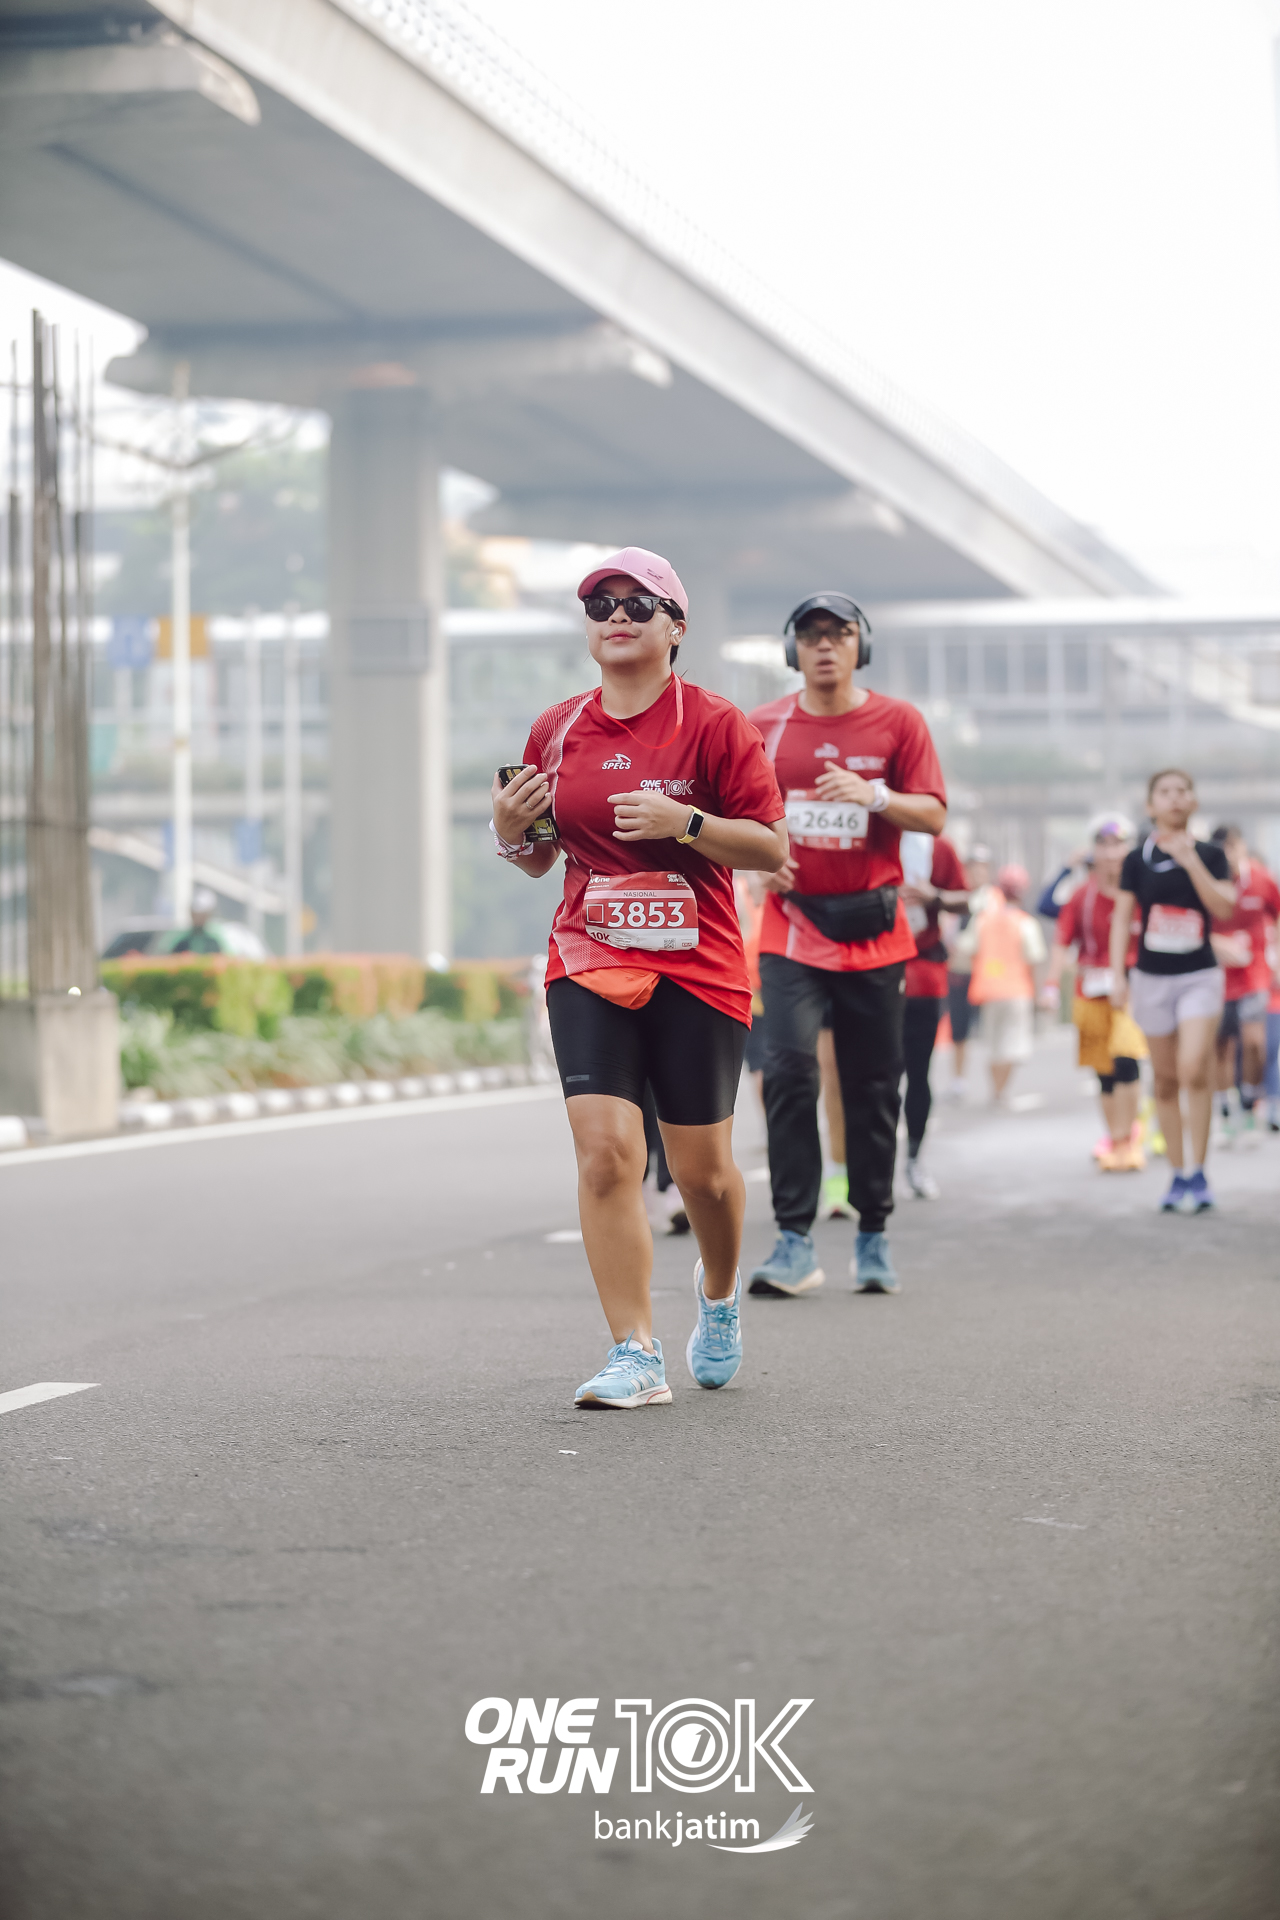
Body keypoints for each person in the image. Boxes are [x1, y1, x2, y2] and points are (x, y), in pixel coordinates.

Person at [490, 547, 787, 1407]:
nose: (617, 617)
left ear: (675, 627)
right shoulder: (556, 730)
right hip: (589, 958)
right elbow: (539, 859)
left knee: (705, 1176)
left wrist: (684, 822)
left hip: (699, 967)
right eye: (601, 605)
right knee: (607, 1155)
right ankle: (635, 1352)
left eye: (637, 604)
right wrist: (510, 832)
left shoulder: (718, 725)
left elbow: (769, 846)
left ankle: (719, 1294)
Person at [744, 592, 947, 1299]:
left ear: (862, 646)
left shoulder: (899, 722)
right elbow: (733, 817)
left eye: (840, 633)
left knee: (872, 1086)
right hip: (793, 927)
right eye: (811, 634)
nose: (825, 645)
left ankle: (873, 1231)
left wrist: (875, 796)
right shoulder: (763, 726)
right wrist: (761, 861)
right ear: (792, 649)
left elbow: (934, 815)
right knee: (789, 1072)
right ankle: (794, 1239)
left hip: (875, 931)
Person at [1109, 770, 1235, 1214]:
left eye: (1183, 791)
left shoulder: (1212, 854)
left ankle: (1200, 1171)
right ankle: (1178, 1174)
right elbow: (1122, 918)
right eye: (1165, 792)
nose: (1175, 798)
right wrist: (1117, 975)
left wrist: (1190, 860)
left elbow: (1224, 907)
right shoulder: (1136, 859)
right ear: (1151, 806)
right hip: (1151, 978)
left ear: (1194, 802)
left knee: (1193, 1067)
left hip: (1199, 975)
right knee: (1164, 1078)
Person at [1044, 815, 1147, 1170]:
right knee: (1103, 1071)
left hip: (1131, 987)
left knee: (1127, 1059)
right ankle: (1115, 1141)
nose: (1111, 853)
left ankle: (1129, 1139)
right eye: (1103, 845)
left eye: (1119, 845)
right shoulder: (1081, 896)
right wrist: (1051, 984)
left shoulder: (1142, 894)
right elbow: (1061, 940)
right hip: (1090, 990)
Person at [900, 830, 969, 1195]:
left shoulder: (936, 846)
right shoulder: (864, 832)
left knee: (917, 1072)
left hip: (923, 974)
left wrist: (934, 896)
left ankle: (914, 1159)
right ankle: (870, 1168)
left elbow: (965, 899)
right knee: (874, 1077)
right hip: (869, 973)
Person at [1208, 825, 1279, 1147]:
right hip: (1216, 976)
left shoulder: (1262, 880)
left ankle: (1250, 1105)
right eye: (1222, 850)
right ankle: (1225, 1114)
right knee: (1220, 1045)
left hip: (1254, 974)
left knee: (1254, 1042)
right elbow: (1195, 922)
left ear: (1242, 848)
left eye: (1233, 849)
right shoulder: (1207, 881)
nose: (1229, 857)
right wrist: (1216, 943)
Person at [958, 865, 1047, 1103]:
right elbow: (1035, 959)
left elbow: (966, 948)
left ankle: (996, 1091)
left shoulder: (983, 920)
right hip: (1017, 991)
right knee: (1012, 1045)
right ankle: (1001, 1091)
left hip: (988, 990)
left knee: (995, 1044)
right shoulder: (1025, 923)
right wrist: (1039, 995)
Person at [944, 844, 991, 1098]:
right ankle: (958, 1077)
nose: (976, 873)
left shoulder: (992, 901)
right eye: (972, 868)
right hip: (959, 971)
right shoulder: (955, 898)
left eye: (981, 868)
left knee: (988, 1027)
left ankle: (994, 1082)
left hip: (987, 973)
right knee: (959, 1028)